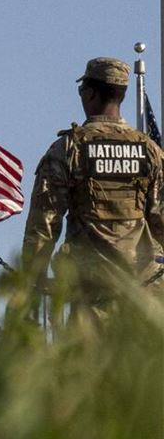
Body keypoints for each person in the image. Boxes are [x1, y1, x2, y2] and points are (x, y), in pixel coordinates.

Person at [21, 57, 164, 327]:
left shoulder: (69, 149)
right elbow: (160, 220)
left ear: (90, 94)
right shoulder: (150, 151)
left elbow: (44, 225)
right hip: (145, 291)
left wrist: (30, 288)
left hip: (92, 292)